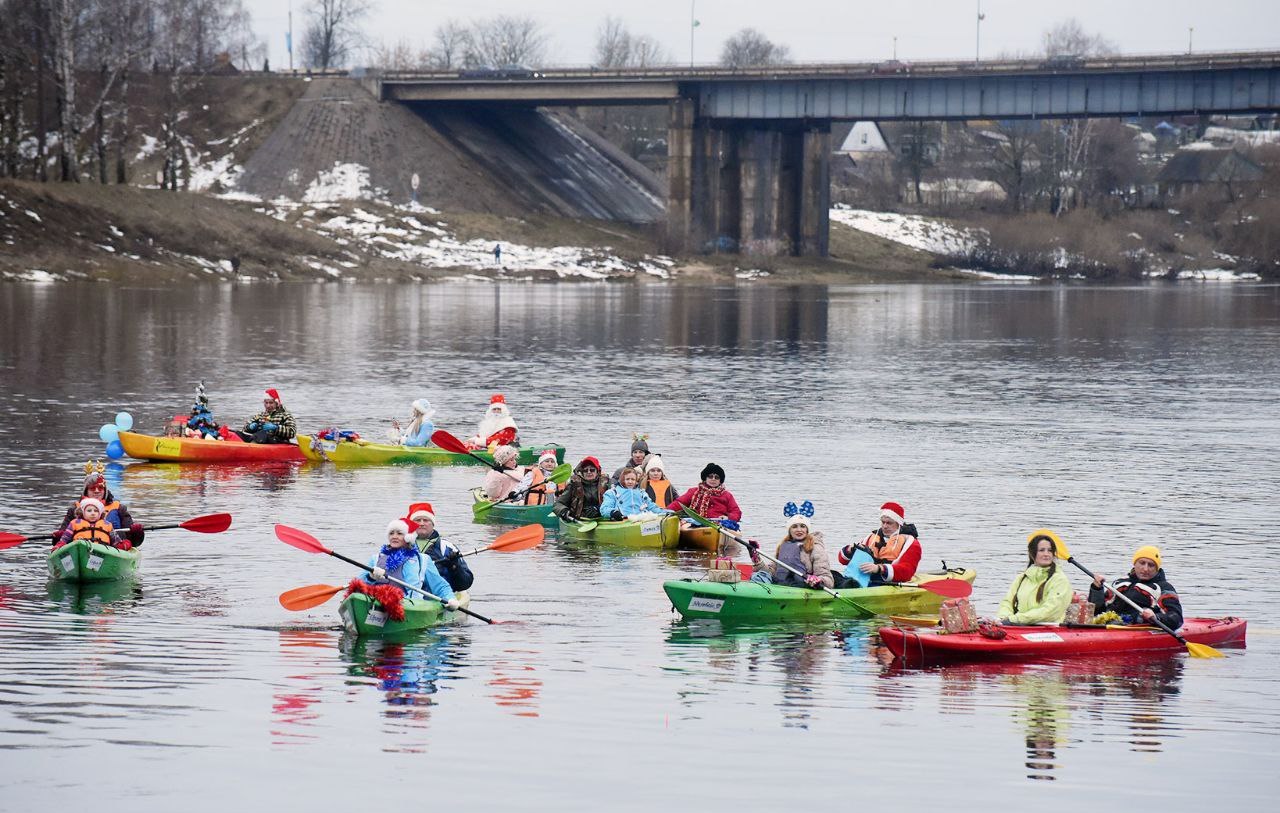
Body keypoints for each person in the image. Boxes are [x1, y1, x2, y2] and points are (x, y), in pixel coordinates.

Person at [363, 518, 458, 609]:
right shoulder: (375, 559)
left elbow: (440, 586)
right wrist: (370, 577)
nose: (394, 536)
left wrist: (450, 599)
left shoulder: (423, 560)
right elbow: (359, 584)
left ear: (409, 537)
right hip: (377, 601)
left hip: (409, 607)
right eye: (391, 533)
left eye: (399, 533)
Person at [1088, 545, 1184, 629]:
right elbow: (1097, 610)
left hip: (1137, 627)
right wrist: (1097, 589)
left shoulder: (1164, 588)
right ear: (1135, 564)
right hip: (1109, 624)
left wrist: (1156, 617)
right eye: (1142, 563)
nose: (1145, 569)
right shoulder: (1120, 583)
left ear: (1157, 568)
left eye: (1151, 565)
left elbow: (1177, 618)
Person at [746, 501, 833, 589]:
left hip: (803, 587)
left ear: (807, 530)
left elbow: (828, 580)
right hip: (781, 586)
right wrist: (756, 558)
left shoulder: (816, 548)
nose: (799, 530)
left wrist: (818, 580)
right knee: (759, 575)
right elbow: (770, 572)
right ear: (789, 530)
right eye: (794, 526)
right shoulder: (783, 546)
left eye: (803, 526)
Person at [55, 461, 142, 547]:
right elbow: (59, 541)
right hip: (80, 547)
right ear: (86, 491)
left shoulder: (119, 508)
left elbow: (134, 542)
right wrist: (58, 537)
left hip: (114, 550)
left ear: (105, 490)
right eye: (92, 488)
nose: (96, 491)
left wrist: (137, 533)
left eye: (100, 488)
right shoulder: (74, 510)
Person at [837, 501, 921, 587]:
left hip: (888, 583)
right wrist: (850, 550)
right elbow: (842, 560)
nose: (885, 526)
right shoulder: (872, 537)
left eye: (889, 523)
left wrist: (879, 568)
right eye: (883, 522)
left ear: (898, 524)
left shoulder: (911, 543)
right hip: (864, 579)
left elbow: (907, 572)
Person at [997, 531, 1073, 625]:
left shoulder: (1060, 580)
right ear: (1032, 554)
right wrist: (1004, 618)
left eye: (1050, 550)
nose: (1046, 554)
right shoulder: (1022, 578)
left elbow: (1050, 611)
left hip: (1046, 629)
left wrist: (1016, 619)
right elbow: (1007, 602)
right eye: (1041, 550)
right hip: (1018, 626)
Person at [407, 502, 474, 592]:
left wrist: (454, 566)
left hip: (440, 596)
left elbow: (466, 583)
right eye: (418, 520)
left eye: (426, 520)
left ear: (433, 524)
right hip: (410, 595)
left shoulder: (446, 547)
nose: (421, 524)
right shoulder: (403, 545)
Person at [668, 464, 742, 531]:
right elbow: (678, 504)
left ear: (720, 481)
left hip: (720, 524)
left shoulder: (727, 495)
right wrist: (665, 512)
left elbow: (736, 512)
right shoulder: (693, 492)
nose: (713, 479)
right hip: (696, 523)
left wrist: (728, 517)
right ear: (705, 478)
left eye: (716, 477)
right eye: (710, 476)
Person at [55, 498, 130, 550]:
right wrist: (59, 545)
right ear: (82, 512)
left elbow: (116, 541)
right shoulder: (75, 523)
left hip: (103, 551)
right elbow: (65, 539)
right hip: (80, 549)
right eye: (89, 510)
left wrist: (123, 545)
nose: (93, 513)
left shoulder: (107, 525)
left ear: (100, 513)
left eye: (96, 511)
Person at [601, 467, 671, 520]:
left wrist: (668, 512)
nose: (630, 482)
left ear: (636, 481)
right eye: (627, 479)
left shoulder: (642, 493)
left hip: (640, 520)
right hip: (622, 520)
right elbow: (604, 509)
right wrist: (613, 512)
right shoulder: (612, 493)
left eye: (633, 479)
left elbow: (652, 507)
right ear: (622, 480)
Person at [553, 456, 610, 521]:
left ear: (597, 471)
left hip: (602, 518)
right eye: (585, 470)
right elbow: (558, 504)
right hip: (579, 519)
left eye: (592, 470)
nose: (589, 472)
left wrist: (598, 508)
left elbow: (616, 501)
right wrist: (564, 511)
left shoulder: (607, 483)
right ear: (582, 472)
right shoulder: (573, 484)